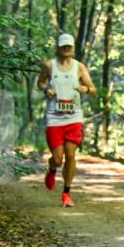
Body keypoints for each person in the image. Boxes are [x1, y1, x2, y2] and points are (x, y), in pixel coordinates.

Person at [36, 33, 97, 207]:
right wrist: (46, 88)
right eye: (63, 46)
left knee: (71, 154)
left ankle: (67, 194)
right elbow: (40, 82)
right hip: (54, 117)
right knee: (58, 158)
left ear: (72, 48)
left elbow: (93, 89)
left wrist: (85, 89)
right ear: (58, 47)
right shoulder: (49, 65)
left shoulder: (79, 67)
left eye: (69, 46)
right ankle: (52, 168)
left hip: (74, 116)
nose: (66, 49)